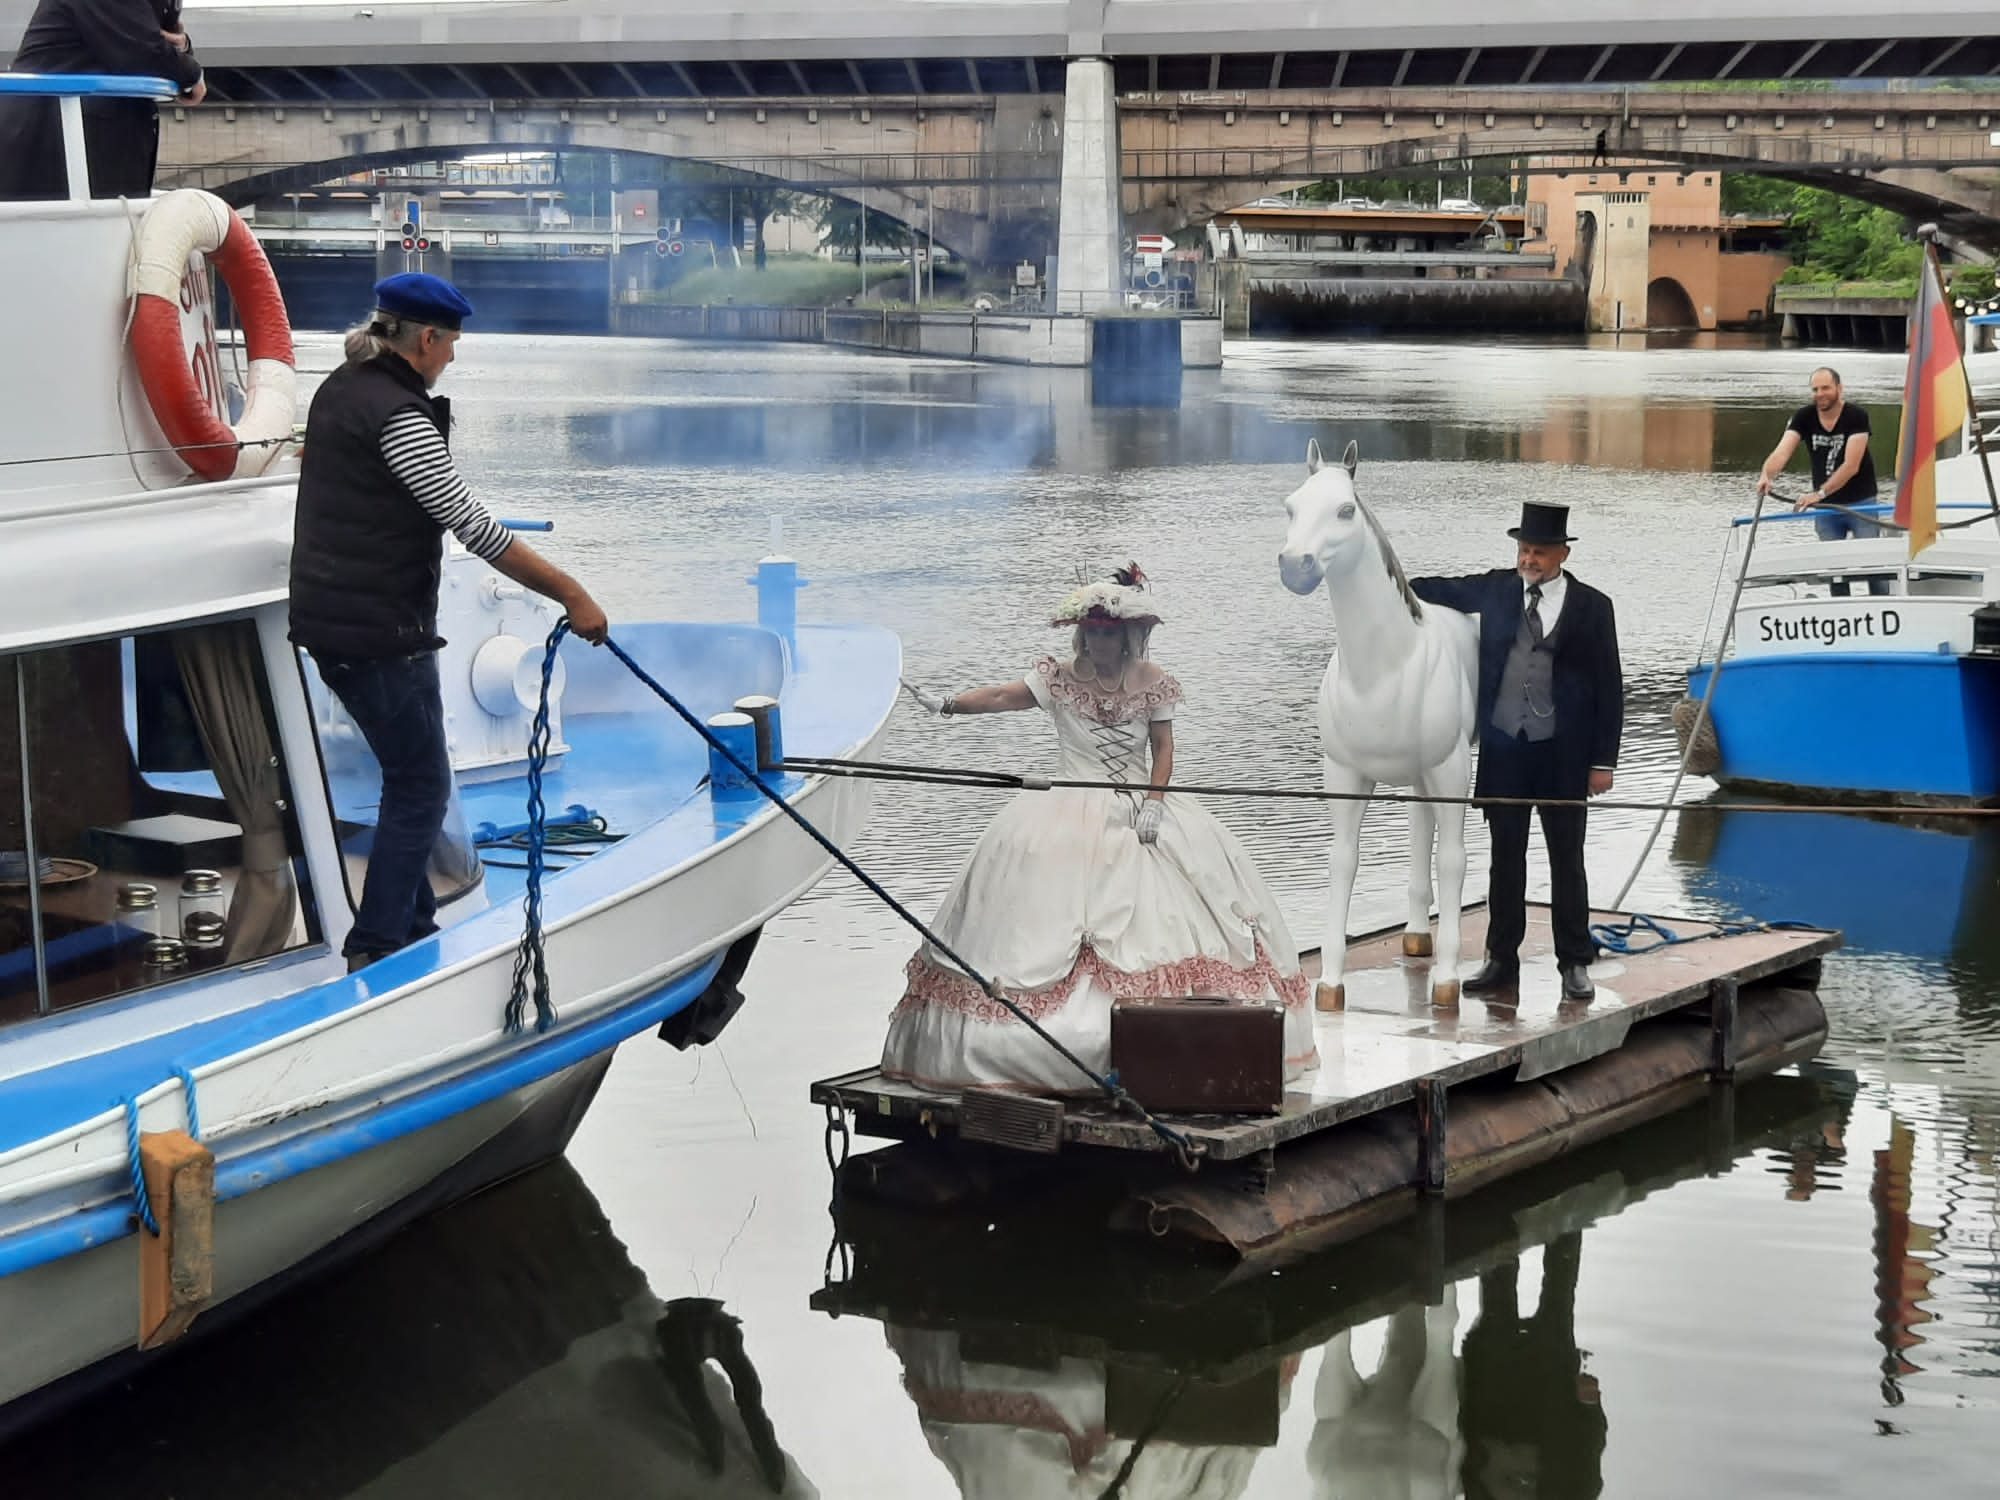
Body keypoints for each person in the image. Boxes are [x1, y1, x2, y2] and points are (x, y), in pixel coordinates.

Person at [888, 566, 1316, 1093]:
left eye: (1108, 633)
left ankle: (1185, 1043)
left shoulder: (1153, 680)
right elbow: (1003, 696)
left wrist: (1154, 803)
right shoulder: (1057, 677)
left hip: (1141, 805)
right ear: (1081, 635)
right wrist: (950, 705)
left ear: (1126, 636)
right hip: (1066, 804)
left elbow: (1163, 748)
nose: (1099, 641)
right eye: (1091, 632)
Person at [289, 272, 609, 972]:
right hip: (380, 634)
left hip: (331, 621)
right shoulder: (400, 418)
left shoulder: (339, 389)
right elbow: (475, 529)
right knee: (423, 787)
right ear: (425, 338)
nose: (455, 357)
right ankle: (375, 950)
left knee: (406, 775)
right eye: (452, 342)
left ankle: (417, 929)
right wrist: (571, 593)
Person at [1410, 504, 1622, 1002]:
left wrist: (1602, 762)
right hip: (1506, 752)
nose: (1530, 559)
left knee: (1566, 861)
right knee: (1505, 862)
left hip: (1564, 757)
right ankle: (1500, 960)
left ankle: (1573, 961)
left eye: (1540, 552)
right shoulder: (1497, 589)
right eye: (1524, 549)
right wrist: (1384, 576)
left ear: (1562, 554)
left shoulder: (1594, 606)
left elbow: (1610, 688)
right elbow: (1437, 589)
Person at [0, 0, 205, 201]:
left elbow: (157, 37)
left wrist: (183, 48)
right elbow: (143, 51)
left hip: (93, 143)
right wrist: (191, 75)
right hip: (51, 144)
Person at [1755, 365, 1887, 598]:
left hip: (1861, 502)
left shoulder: (1857, 416)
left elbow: (1851, 466)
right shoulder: (1804, 416)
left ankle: (1883, 606)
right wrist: (1767, 474)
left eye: (1825, 388)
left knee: (1873, 565)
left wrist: (1819, 494)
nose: (1820, 394)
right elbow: (1782, 452)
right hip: (1827, 509)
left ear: (1839, 388)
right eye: (1815, 389)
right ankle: (1841, 616)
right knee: (1833, 569)